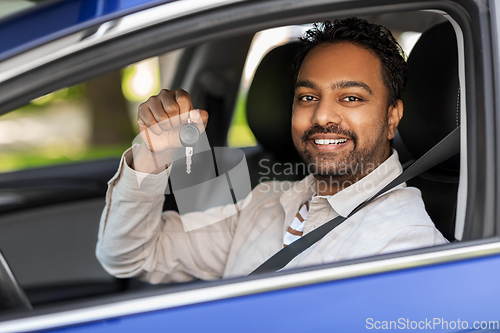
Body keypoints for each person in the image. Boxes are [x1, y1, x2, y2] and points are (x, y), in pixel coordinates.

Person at [96, 18, 448, 284]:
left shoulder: (404, 244)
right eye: (308, 97)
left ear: (392, 116)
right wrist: (153, 155)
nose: (322, 114)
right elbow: (128, 257)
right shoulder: (268, 202)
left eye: (351, 98)